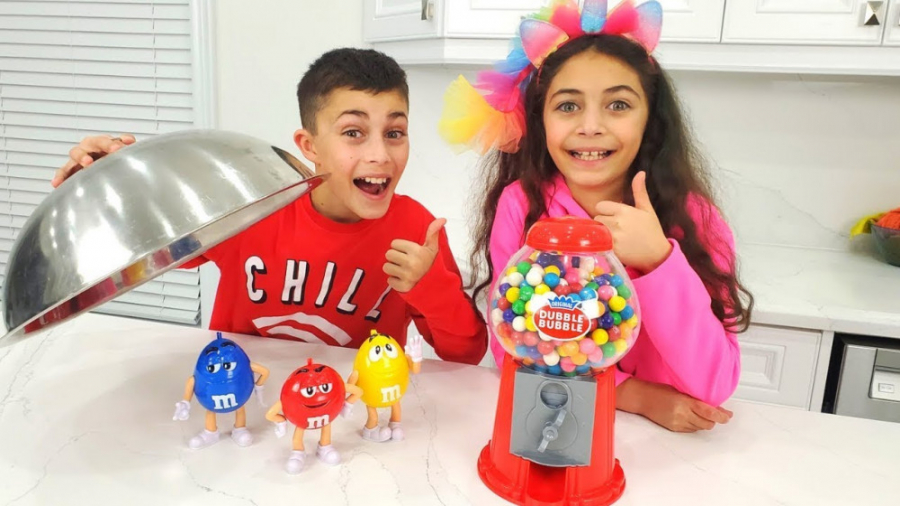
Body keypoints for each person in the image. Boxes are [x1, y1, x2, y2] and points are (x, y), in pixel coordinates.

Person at [52, 48, 489, 452]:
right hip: (240, 412)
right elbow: (139, 251)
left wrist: (429, 285)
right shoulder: (251, 207)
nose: (380, 154)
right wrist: (100, 189)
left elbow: (465, 353)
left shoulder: (415, 230)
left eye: (394, 133)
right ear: (309, 147)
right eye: (353, 133)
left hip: (344, 426)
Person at [440, 0, 753, 433]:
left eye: (618, 105)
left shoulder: (696, 217)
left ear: (650, 120)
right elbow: (511, 345)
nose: (590, 126)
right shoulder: (521, 205)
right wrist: (634, 395)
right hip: (556, 419)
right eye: (568, 106)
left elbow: (714, 383)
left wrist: (658, 260)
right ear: (540, 120)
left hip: (665, 444)